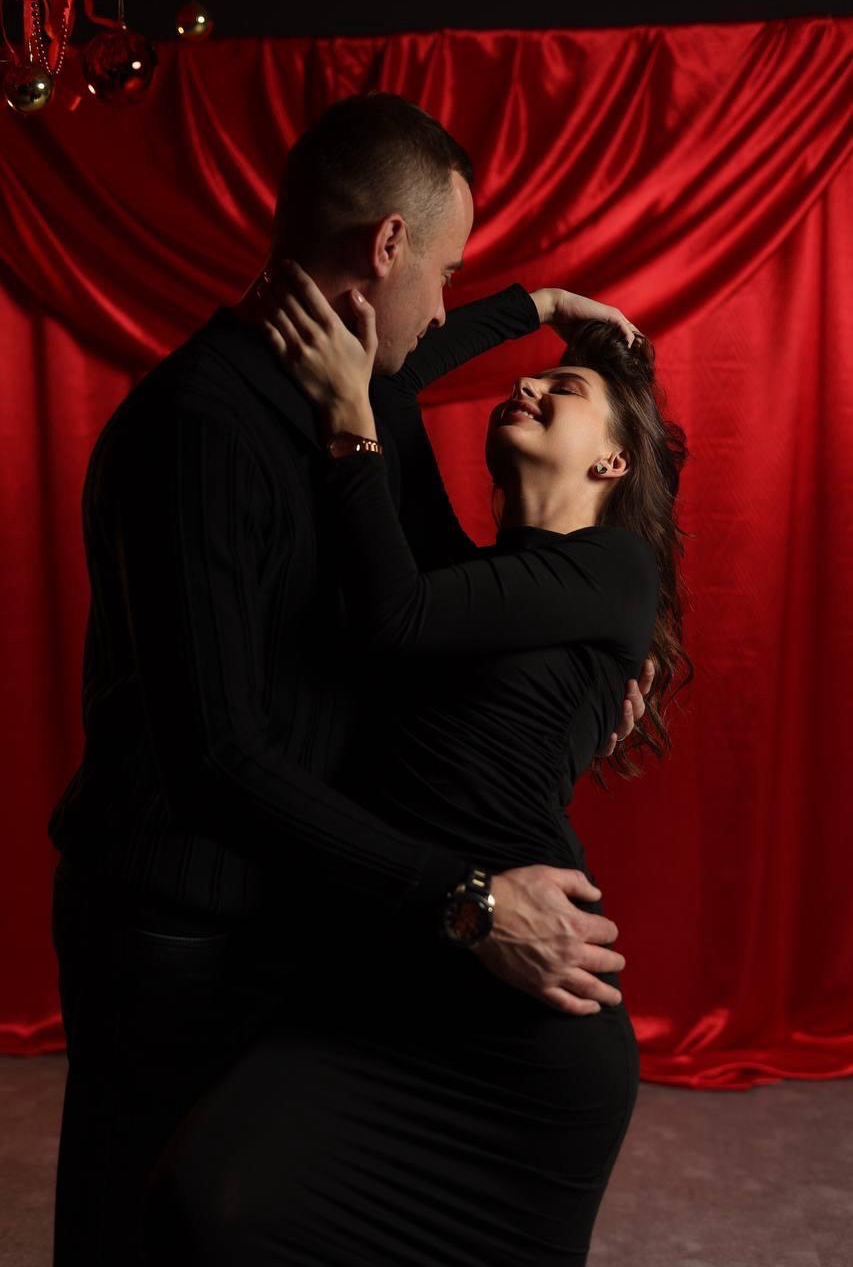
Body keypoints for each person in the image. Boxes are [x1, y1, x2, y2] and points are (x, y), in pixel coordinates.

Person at [48, 92, 652, 1266]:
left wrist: (531, 308)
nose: (444, 306)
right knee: (141, 1230)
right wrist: (469, 899)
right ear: (386, 247)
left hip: (296, 912)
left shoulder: (350, 405)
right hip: (175, 927)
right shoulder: (204, 427)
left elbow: (413, 379)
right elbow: (217, 759)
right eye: (447, 272)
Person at [139, 265, 690, 1266]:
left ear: (613, 460)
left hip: (518, 1014)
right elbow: (393, 377)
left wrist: (349, 427)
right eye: (531, 377)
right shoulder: (461, 575)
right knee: (208, 1195)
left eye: (562, 388)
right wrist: (540, 307)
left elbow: (390, 611)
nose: (526, 384)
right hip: (394, 963)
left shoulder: (615, 571)